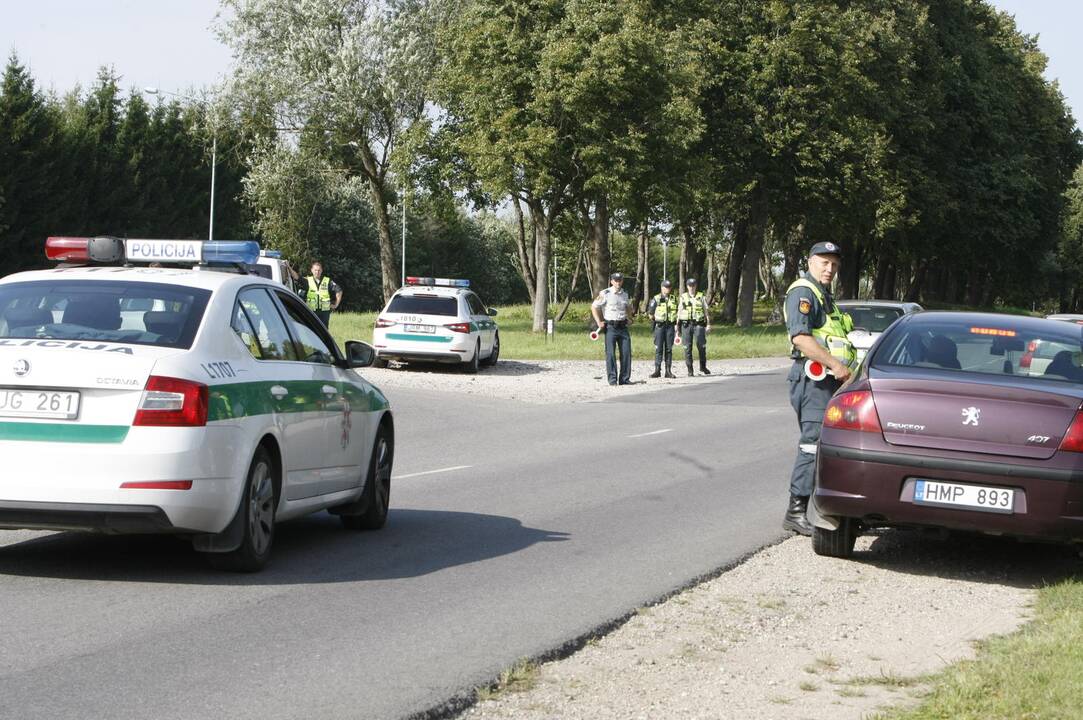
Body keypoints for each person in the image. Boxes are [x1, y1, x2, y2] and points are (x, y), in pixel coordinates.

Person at [782, 241, 856, 535]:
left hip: (829, 383)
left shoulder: (826, 296)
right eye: (824, 262)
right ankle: (795, 510)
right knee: (812, 444)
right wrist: (836, 366)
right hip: (813, 380)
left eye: (834, 264)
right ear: (810, 262)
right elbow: (800, 337)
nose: (830, 269)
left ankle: (826, 505)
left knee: (826, 444)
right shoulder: (804, 291)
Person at [591, 272, 633, 386]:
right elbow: (594, 307)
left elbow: (628, 307)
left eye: (620, 280)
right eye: (616, 280)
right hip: (610, 327)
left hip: (623, 326)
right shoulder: (605, 293)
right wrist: (598, 321)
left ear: (622, 281)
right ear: (612, 281)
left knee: (626, 353)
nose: (618, 282)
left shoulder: (625, 294)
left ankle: (624, 379)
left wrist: (630, 317)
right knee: (610, 354)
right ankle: (612, 379)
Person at [290, 261, 342, 327]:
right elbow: (296, 277)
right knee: (311, 330)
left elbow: (339, 291)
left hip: (324, 313)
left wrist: (336, 305)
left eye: (319, 270)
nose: (317, 272)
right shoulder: (307, 280)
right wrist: (289, 267)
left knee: (323, 332)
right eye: (315, 270)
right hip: (311, 312)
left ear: (322, 271)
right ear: (312, 270)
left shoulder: (327, 281)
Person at [677, 278, 712, 376]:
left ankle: (703, 366)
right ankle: (690, 370)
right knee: (687, 347)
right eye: (689, 285)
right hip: (686, 325)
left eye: (693, 285)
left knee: (701, 346)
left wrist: (708, 324)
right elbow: (679, 312)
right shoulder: (683, 297)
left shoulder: (701, 297)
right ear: (687, 286)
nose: (691, 287)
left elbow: (706, 312)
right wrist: (677, 326)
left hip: (699, 325)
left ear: (695, 286)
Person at [646, 279, 678, 379]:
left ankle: (668, 371)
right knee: (658, 348)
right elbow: (650, 314)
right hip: (660, 327)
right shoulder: (656, 298)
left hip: (670, 327)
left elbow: (678, 312)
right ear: (662, 287)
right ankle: (657, 370)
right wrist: (658, 320)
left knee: (669, 349)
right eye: (665, 287)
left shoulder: (674, 299)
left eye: (669, 287)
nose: (667, 289)